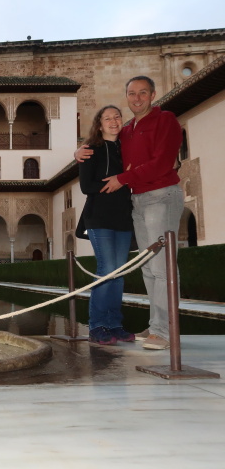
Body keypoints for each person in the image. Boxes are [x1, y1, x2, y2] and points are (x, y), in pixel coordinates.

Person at [76, 76, 183, 350]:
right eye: (132, 93)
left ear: (153, 94)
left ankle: (162, 328)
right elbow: (91, 173)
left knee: (156, 267)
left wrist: (122, 179)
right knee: (144, 267)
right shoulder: (126, 133)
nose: (137, 98)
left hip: (157, 197)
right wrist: (78, 151)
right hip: (130, 206)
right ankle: (144, 325)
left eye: (142, 93)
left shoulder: (165, 120)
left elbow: (162, 162)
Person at [76, 105, 135, 345]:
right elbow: (86, 187)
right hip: (99, 217)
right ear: (99, 125)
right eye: (107, 118)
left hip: (123, 218)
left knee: (118, 274)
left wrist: (123, 179)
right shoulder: (90, 150)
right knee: (106, 270)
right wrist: (116, 182)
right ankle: (97, 326)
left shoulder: (129, 148)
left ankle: (114, 324)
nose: (113, 121)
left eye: (117, 117)